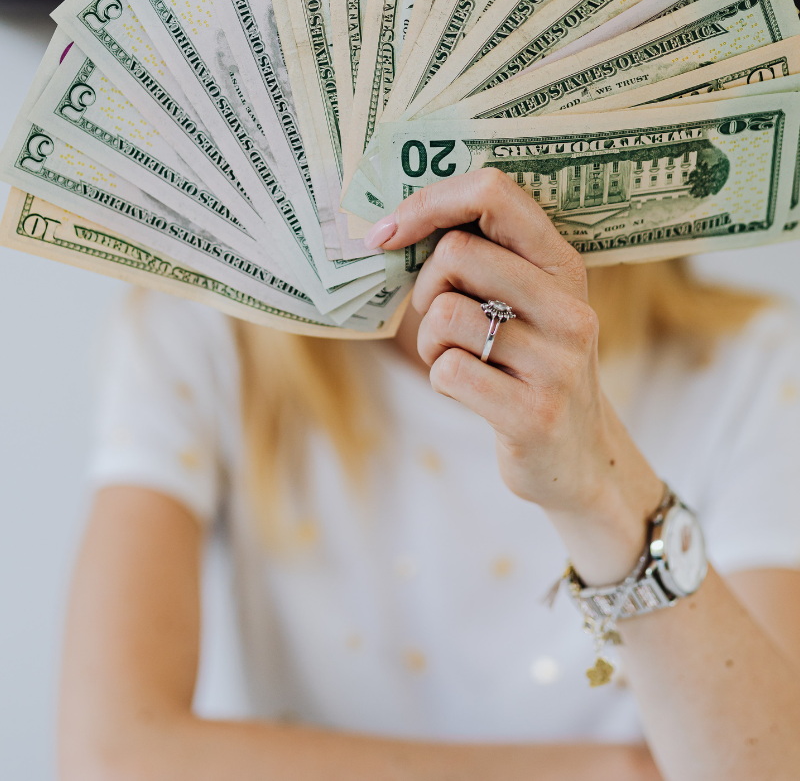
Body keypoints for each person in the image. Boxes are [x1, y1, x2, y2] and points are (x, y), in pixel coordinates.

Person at [59, 170, 800, 780]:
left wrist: (597, 487)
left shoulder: (757, 366)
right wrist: (615, 772)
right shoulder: (207, 333)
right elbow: (109, 758)